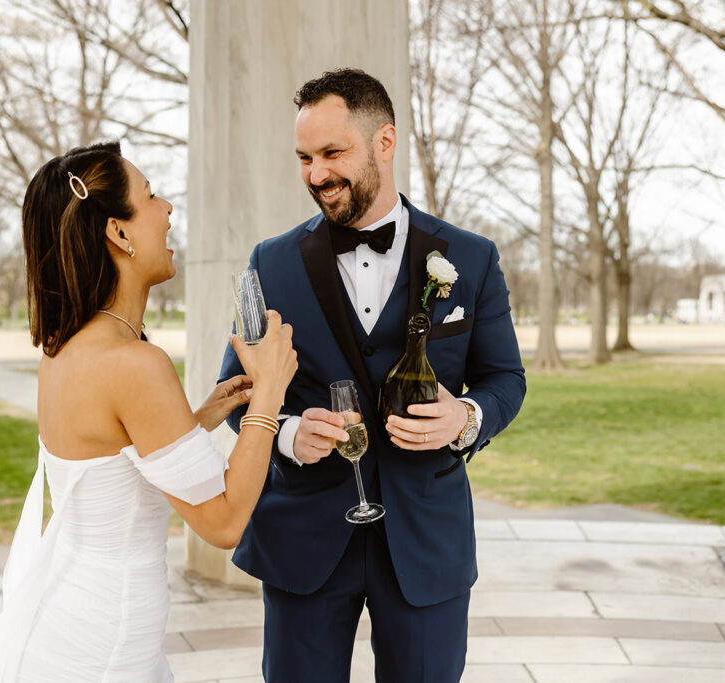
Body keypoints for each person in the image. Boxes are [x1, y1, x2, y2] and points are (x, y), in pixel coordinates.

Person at [218, 69, 526, 681]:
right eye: (304, 157)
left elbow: (505, 379)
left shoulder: (471, 258)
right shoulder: (270, 262)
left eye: (333, 153)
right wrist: (286, 432)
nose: (316, 173)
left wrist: (465, 418)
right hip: (303, 540)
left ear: (384, 142)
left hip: (425, 541)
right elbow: (236, 393)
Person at [0, 141, 297, 682]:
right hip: (102, 644)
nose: (167, 210)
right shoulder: (134, 363)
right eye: (152, 196)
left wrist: (201, 417)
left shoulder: (64, 346)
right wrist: (270, 394)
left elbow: (119, 454)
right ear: (118, 233)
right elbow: (226, 521)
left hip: (71, 616)